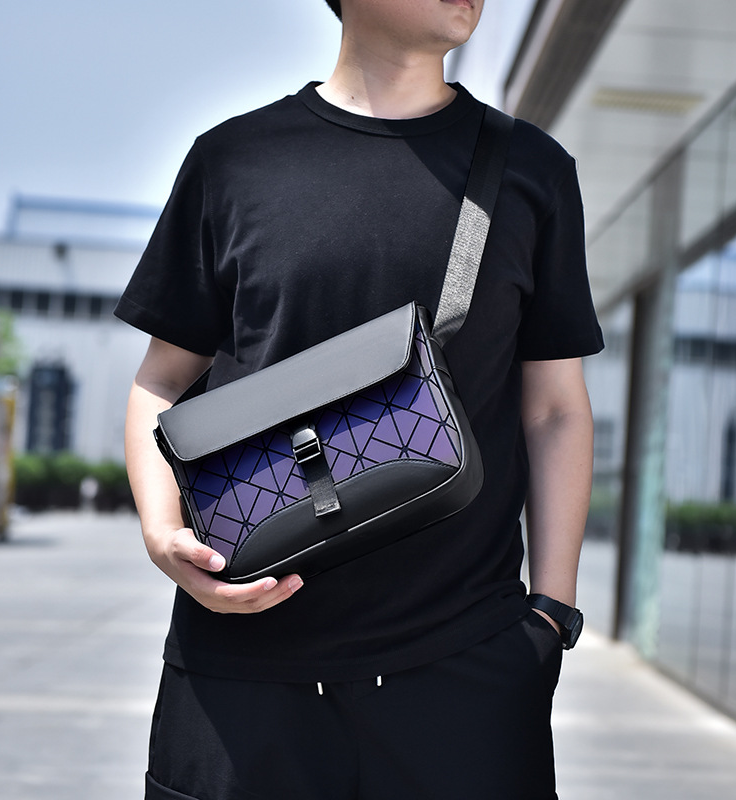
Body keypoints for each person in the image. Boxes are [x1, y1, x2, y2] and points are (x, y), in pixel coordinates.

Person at [117, 0, 604, 797]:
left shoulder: (531, 171)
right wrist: (161, 532)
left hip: (464, 673)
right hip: (240, 671)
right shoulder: (233, 160)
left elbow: (554, 408)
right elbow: (162, 379)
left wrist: (551, 617)